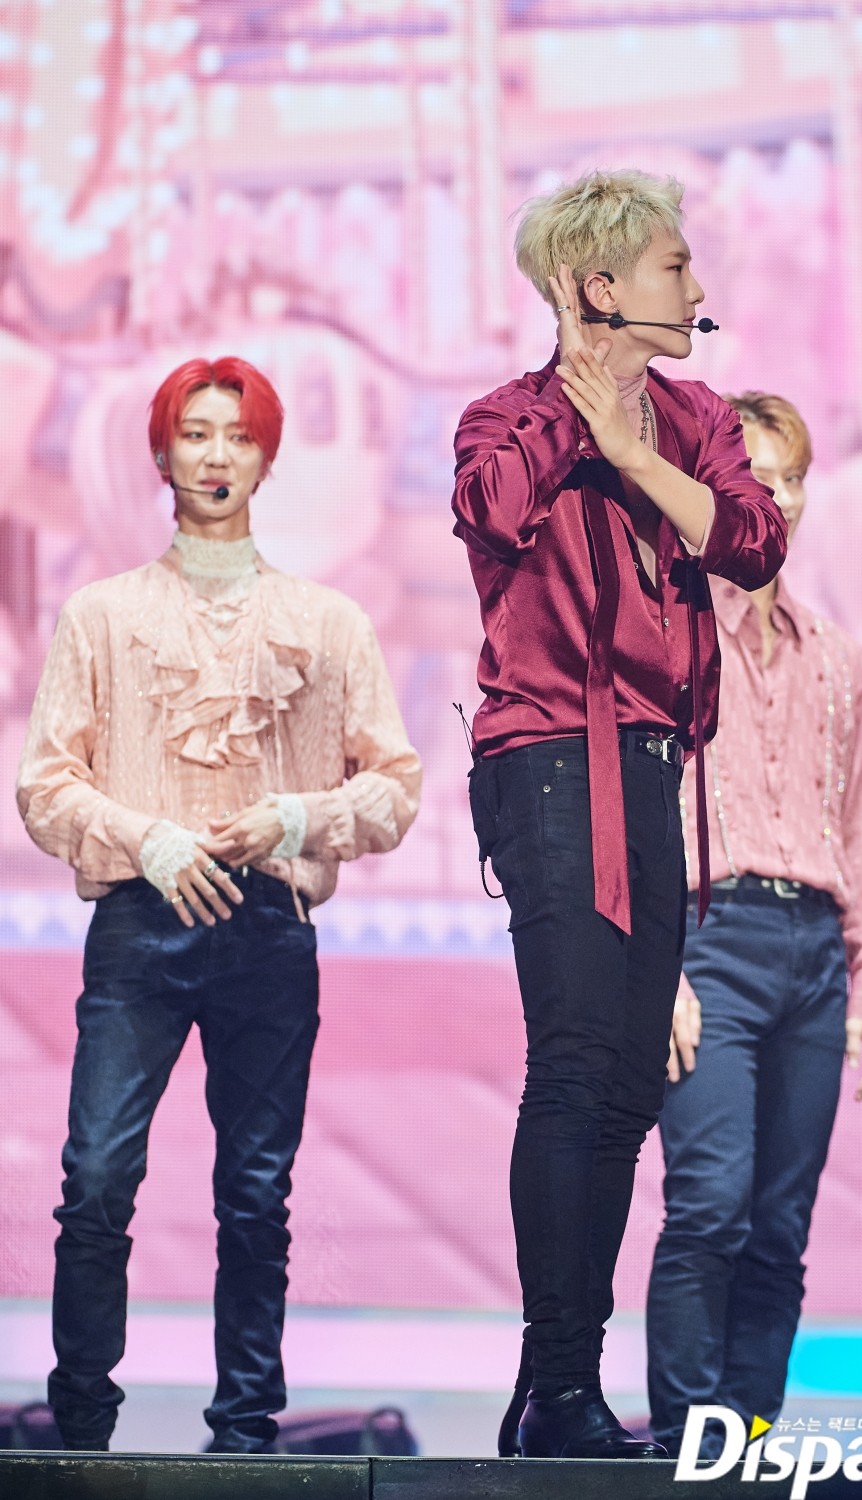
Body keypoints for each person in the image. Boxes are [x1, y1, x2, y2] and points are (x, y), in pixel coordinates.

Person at [16, 356, 421, 1454]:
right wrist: (144, 838)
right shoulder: (102, 615)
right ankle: (80, 1428)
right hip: (139, 923)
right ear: (160, 453)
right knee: (97, 1177)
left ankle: (245, 1433)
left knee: (254, 1193)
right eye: (195, 434)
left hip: (267, 928)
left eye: (238, 437)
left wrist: (294, 819)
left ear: (266, 458)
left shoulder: (326, 621)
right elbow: (43, 784)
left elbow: (395, 787)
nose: (215, 456)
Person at [451, 170, 787, 1460]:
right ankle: (559, 1385)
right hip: (547, 760)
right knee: (576, 1061)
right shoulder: (507, 415)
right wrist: (578, 408)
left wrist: (635, 446)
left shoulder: (694, 419)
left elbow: (751, 542)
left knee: (631, 1084)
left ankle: (555, 1392)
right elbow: (492, 511)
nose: (697, 291)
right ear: (599, 286)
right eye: (672, 268)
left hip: (653, 766)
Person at [645, 391, 862, 1459]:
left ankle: (743, 1447)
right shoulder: (666, 637)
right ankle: (681, 1447)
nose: (778, 498)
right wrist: (657, 971)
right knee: (710, 1204)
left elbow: (859, 826)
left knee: (781, 1229)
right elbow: (637, 820)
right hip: (708, 940)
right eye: (756, 477)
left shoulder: (838, 658)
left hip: (815, 956)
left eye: (791, 478)